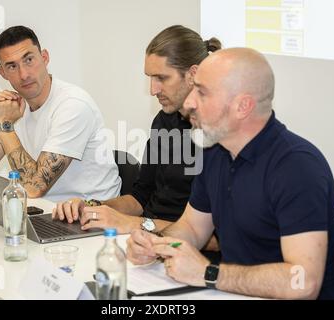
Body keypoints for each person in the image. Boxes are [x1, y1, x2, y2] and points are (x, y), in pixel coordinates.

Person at [126, 48, 334, 300]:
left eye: (202, 92)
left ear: (242, 106)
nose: (188, 103)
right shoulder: (215, 152)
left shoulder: (297, 166)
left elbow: (303, 282)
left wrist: (209, 273)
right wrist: (155, 244)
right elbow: (192, 228)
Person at [52, 25, 221, 236]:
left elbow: (214, 238)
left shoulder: (220, 135)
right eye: (150, 78)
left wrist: (134, 225)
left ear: (192, 74)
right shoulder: (164, 120)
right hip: (147, 238)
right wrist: (92, 208)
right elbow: (141, 196)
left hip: (184, 246)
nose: (152, 90)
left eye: (162, 78)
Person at [0, 26, 121, 202]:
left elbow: (33, 188)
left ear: (45, 57)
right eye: (12, 66)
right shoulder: (16, 108)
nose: (24, 74)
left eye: (29, 60)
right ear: (2, 73)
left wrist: (5, 126)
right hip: (47, 212)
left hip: (90, 217)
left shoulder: (72, 104)